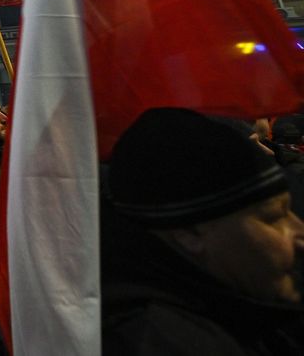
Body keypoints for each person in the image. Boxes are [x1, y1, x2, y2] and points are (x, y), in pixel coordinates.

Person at [103, 107, 304, 353]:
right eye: (274, 218)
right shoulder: (161, 341)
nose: (299, 234)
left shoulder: (236, 307)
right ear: (190, 235)